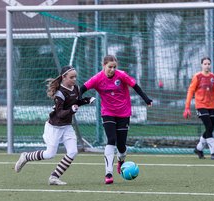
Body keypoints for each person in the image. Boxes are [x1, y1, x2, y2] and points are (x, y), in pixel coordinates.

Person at [14, 65, 94, 185]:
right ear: (64, 77)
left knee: (72, 152)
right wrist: (72, 110)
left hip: (67, 126)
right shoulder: (59, 94)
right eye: (71, 77)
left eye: (75, 77)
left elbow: (74, 102)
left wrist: (86, 101)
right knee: (49, 154)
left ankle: (54, 177)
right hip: (54, 127)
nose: (74, 79)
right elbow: (60, 113)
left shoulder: (76, 88)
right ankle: (26, 157)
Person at [80, 55, 152, 184]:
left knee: (121, 146)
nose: (112, 69)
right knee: (111, 139)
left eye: (114, 67)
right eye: (109, 67)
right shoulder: (97, 78)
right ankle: (108, 173)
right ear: (104, 66)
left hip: (124, 113)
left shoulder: (122, 75)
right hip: (108, 112)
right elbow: (82, 89)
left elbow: (135, 86)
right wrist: (75, 100)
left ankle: (121, 161)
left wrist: (146, 99)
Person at [183, 57, 214, 160]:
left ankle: (199, 148)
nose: (207, 65)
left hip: (211, 106)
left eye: (208, 64)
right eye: (205, 64)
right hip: (201, 106)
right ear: (201, 65)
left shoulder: (213, 77)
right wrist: (187, 107)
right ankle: (213, 152)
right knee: (209, 126)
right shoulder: (197, 76)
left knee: (210, 128)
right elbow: (190, 91)